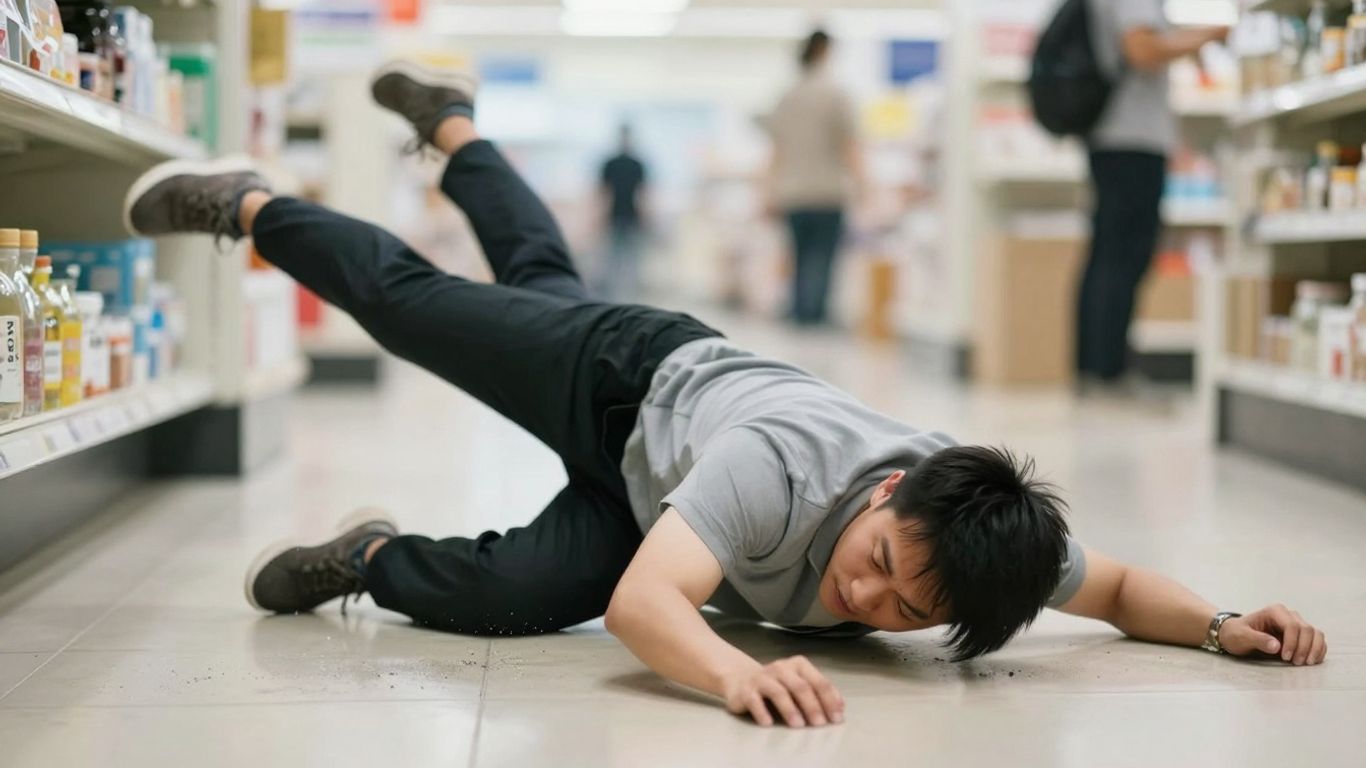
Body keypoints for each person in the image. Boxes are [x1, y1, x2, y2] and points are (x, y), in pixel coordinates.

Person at [123, 60, 1327, 731]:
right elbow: (648, 607)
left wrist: (1222, 627)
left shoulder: (984, 546)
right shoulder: (781, 469)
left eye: (907, 612)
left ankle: (370, 551)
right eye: (879, 563)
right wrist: (731, 676)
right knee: (422, 311)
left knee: (513, 589)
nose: (867, 600)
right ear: (887, 493)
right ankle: (251, 205)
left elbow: (1113, 587)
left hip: (646, 492)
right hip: (624, 380)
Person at [1079, 0, 1228, 387]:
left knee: (1109, 253)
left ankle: (1096, 367)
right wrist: (1206, 36)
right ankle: (1108, 371)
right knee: (1125, 256)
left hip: (1115, 138)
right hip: (1132, 141)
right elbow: (1141, 50)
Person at [766, 29, 863, 326]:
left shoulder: (787, 96)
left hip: (793, 192)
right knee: (822, 257)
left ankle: (799, 312)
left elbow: (776, 150)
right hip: (827, 192)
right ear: (825, 52)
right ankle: (815, 316)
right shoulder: (836, 94)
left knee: (798, 255)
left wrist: (768, 189)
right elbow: (849, 146)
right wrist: (863, 184)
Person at [597, 123, 649, 301]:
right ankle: (616, 294)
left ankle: (629, 294)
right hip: (615, 215)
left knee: (631, 256)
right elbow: (604, 193)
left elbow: (642, 194)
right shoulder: (613, 164)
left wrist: (644, 215)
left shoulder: (635, 164)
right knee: (614, 256)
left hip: (629, 215)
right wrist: (600, 216)